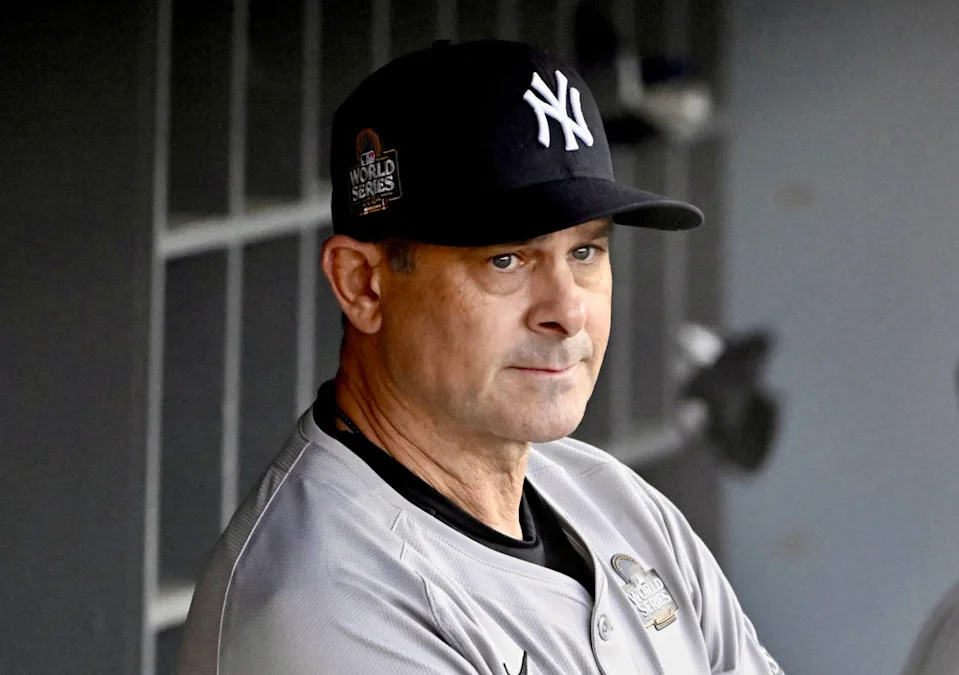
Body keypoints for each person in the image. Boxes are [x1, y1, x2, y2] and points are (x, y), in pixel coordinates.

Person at [177, 39, 783, 674]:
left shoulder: (619, 505)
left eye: (585, 253)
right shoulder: (324, 608)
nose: (568, 310)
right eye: (506, 259)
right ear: (363, 284)